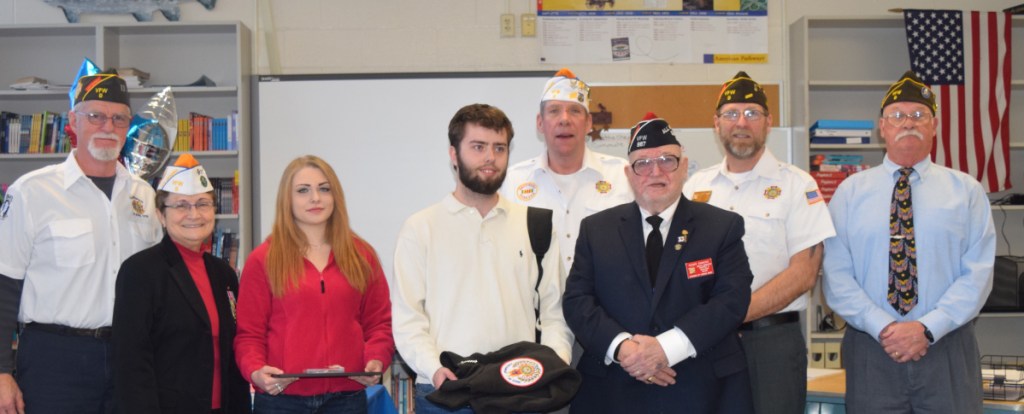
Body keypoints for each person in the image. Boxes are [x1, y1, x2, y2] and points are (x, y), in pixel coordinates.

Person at [823, 70, 995, 413]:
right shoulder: (849, 193)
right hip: (873, 348)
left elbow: (978, 274)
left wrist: (927, 329)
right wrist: (886, 328)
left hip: (947, 346)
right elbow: (836, 274)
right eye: (897, 116)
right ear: (882, 127)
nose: (908, 123)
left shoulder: (967, 191)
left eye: (919, 115)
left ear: (934, 126)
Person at [562, 113, 754, 413]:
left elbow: (732, 299)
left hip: (701, 388)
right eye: (643, 163)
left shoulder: (721, 227)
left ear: (685, 167)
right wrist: (624, 349)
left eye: (667, 160)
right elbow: (577, 301)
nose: (655, 171)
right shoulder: (596, 230)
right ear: (629, 174)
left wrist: (666, 348)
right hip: (614, 389)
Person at [0, 69, 163, 414]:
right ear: (73, 120)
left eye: (119, 118)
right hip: (55, 361)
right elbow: (4, 285)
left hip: (129, 356)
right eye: (96, 116)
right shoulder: (32, 192)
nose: (108, 127)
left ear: (129, 125)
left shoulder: (143, 195)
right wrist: (0, 372)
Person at [392, 103, 573, 413]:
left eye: (499, 148)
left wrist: (552, 366)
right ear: (453, 153)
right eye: (478, 147)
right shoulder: (420, 228)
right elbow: (409, 319)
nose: (490, 157)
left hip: (519, 391)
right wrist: (435, 369)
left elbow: (554, 312)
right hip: (446, 392)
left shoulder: (536, 225)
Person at [682, 71, 835, 414]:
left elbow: (804, 273)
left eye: (752, 114)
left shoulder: (798, 186)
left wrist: (729, 314)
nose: (741, 122)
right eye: (731, 113)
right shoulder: (695, 188)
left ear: (768, 122)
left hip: (772, 343)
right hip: (708, 341)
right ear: (716, 123)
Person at [234, 155, 393, 413]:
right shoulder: (263, 259)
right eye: (303, 191)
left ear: (335, 196)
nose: (315, 198)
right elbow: (248, 335)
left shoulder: (362, 256)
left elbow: (379, 325)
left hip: (346, 399)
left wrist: (376, 360)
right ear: (288, 199)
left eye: (324, 189)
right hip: (281, 400)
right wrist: (256, 371)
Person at [112, 154, 251, 414]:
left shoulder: (225, 275)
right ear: (160, 216)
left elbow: (231, 356)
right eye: (181, 205)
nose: (194, 214)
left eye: (203, 204)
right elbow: (131, 363)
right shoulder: (139, 272)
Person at [501, 67, 633, 276]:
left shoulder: (622, 175)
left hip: (603, 305)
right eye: (554, 111)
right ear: (540, 123)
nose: (564, 119)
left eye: (574, 110)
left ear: (588, 123)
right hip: (537, 305)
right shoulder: (513, 180)